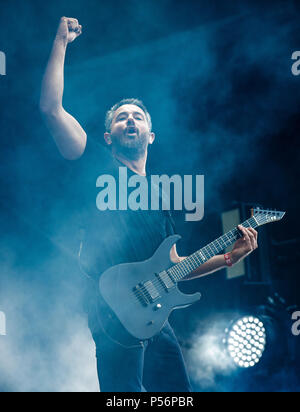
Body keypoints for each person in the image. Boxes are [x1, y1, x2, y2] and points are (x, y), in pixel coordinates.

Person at [40, 17, 259, 392]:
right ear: (108, 136)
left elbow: (174, 267)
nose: (130, 120)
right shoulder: (95, 167)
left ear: (150, 136)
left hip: (155, 314)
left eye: (137, 117)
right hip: (111, 305)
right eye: (122, 117)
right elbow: (51, 109)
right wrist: (60, 42)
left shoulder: (160, 197)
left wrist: (229, 257)